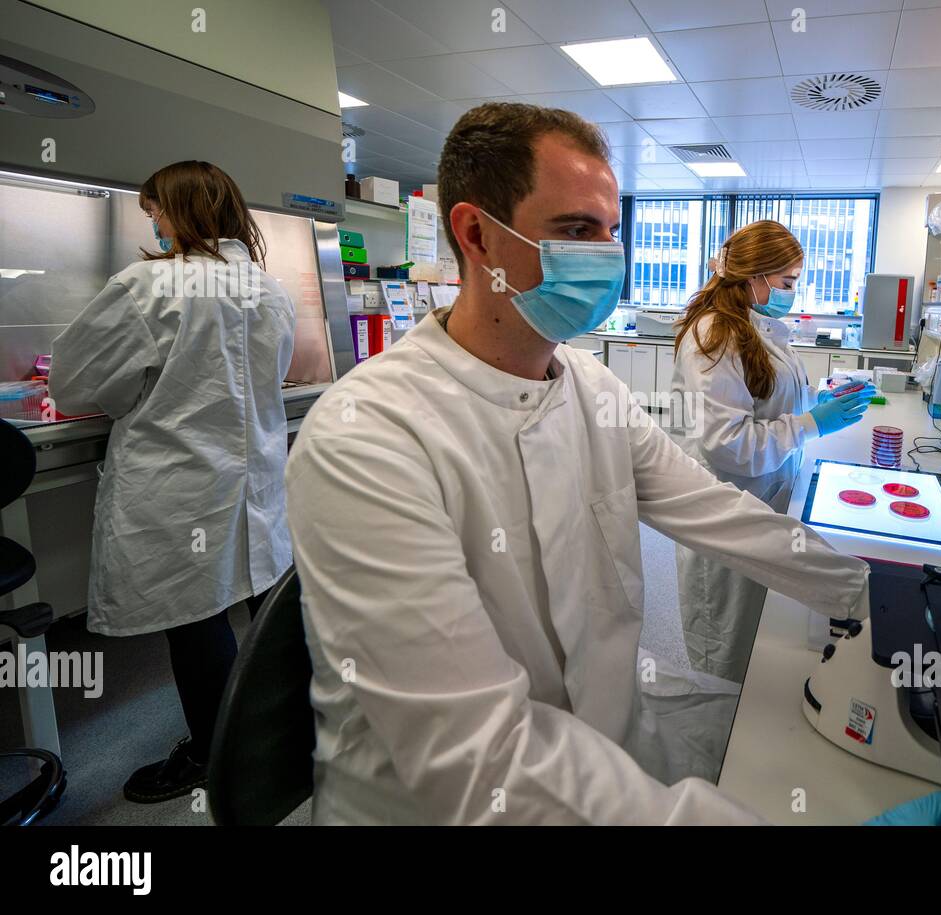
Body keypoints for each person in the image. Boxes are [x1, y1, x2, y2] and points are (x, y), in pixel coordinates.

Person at [284, 102, 872, 825]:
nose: (605, 255)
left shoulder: (593, 388)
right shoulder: (367, 437)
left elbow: (715, 509)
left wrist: (869, 593)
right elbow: (479, 762)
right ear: (477, 236)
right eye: (574, 230)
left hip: (609, 749)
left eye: (611, 231)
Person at [49, 161, 295, 802]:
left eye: (154, 211)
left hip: (180, 482)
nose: (152, 223)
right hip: (252, 485)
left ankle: (214, 754)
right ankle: (278, 739)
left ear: (178, 211)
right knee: (258, 606)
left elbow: (75, 384)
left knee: (195, 618)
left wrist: (135, 393)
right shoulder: (269, 290)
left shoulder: (150, 286)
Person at [671, 221, 870, 682]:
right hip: (729, 510)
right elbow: (730, 445)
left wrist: (813, 407)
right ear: (754, 277)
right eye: (786, 282)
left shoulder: (760, 328)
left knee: (754, 639)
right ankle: (716, 744)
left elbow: (765, 403)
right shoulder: (714, 335)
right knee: (724, 646)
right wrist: (810, 424)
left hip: (765, 500)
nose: (792, 292)